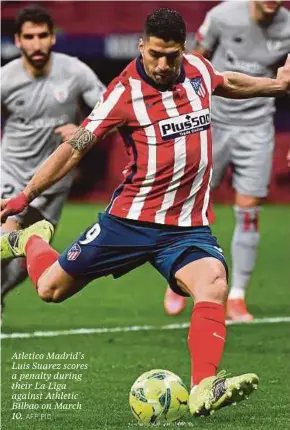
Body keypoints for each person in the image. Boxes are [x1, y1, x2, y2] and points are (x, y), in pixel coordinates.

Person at [2, 7, 290, 417]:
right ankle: (29, 240)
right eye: (155, 53)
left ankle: (203, 385)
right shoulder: (124, 93)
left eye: (171, 55)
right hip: (128, 223)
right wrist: (26, 195)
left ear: (183, 49)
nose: (162, 64)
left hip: (185, 227)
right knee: (49, 289)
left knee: (212, 283)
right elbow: (75, 147)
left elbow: (228, 82)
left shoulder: (197, 69)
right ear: (141, 46)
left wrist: (277, 86)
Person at [164, 0, 290, 321]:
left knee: (249, 209)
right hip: (212, 122)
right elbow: (193, 62)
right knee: (193, 203)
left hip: (258, 127)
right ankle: (180, 275)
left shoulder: (288, 28)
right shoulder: (221, 16)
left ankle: (237, 296)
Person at [1, 4, 105, 310]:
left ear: (53, 38)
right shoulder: (6, 79)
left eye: (42, 35)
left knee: (25, 266)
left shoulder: (75, 72)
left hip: (54, 184)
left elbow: (109, 116)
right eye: (29, 37)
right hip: (11, 174)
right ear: (18, 41)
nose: (36, 43)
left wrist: (83, 130)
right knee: (10, 233)